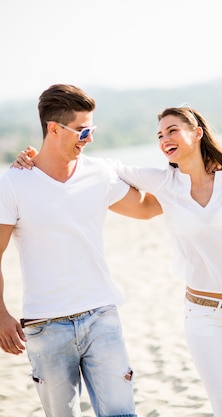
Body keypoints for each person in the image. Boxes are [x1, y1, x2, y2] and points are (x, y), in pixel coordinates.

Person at [11, 106, 222, 417]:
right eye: (160, 135)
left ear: (198, 133)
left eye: (172, 130)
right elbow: (108, 167)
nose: (164, 139)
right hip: (202, 312)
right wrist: (35, 158)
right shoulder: (164, 183)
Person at [0, 84, 162, 417]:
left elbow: (145, 208)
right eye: (83, 130)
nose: (89, 138)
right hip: (45, 327)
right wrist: (0, 313)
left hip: (102, 317)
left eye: (92, 129)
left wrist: (192, 176)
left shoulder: (99, 174)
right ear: (54, 128)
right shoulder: (14, 183)